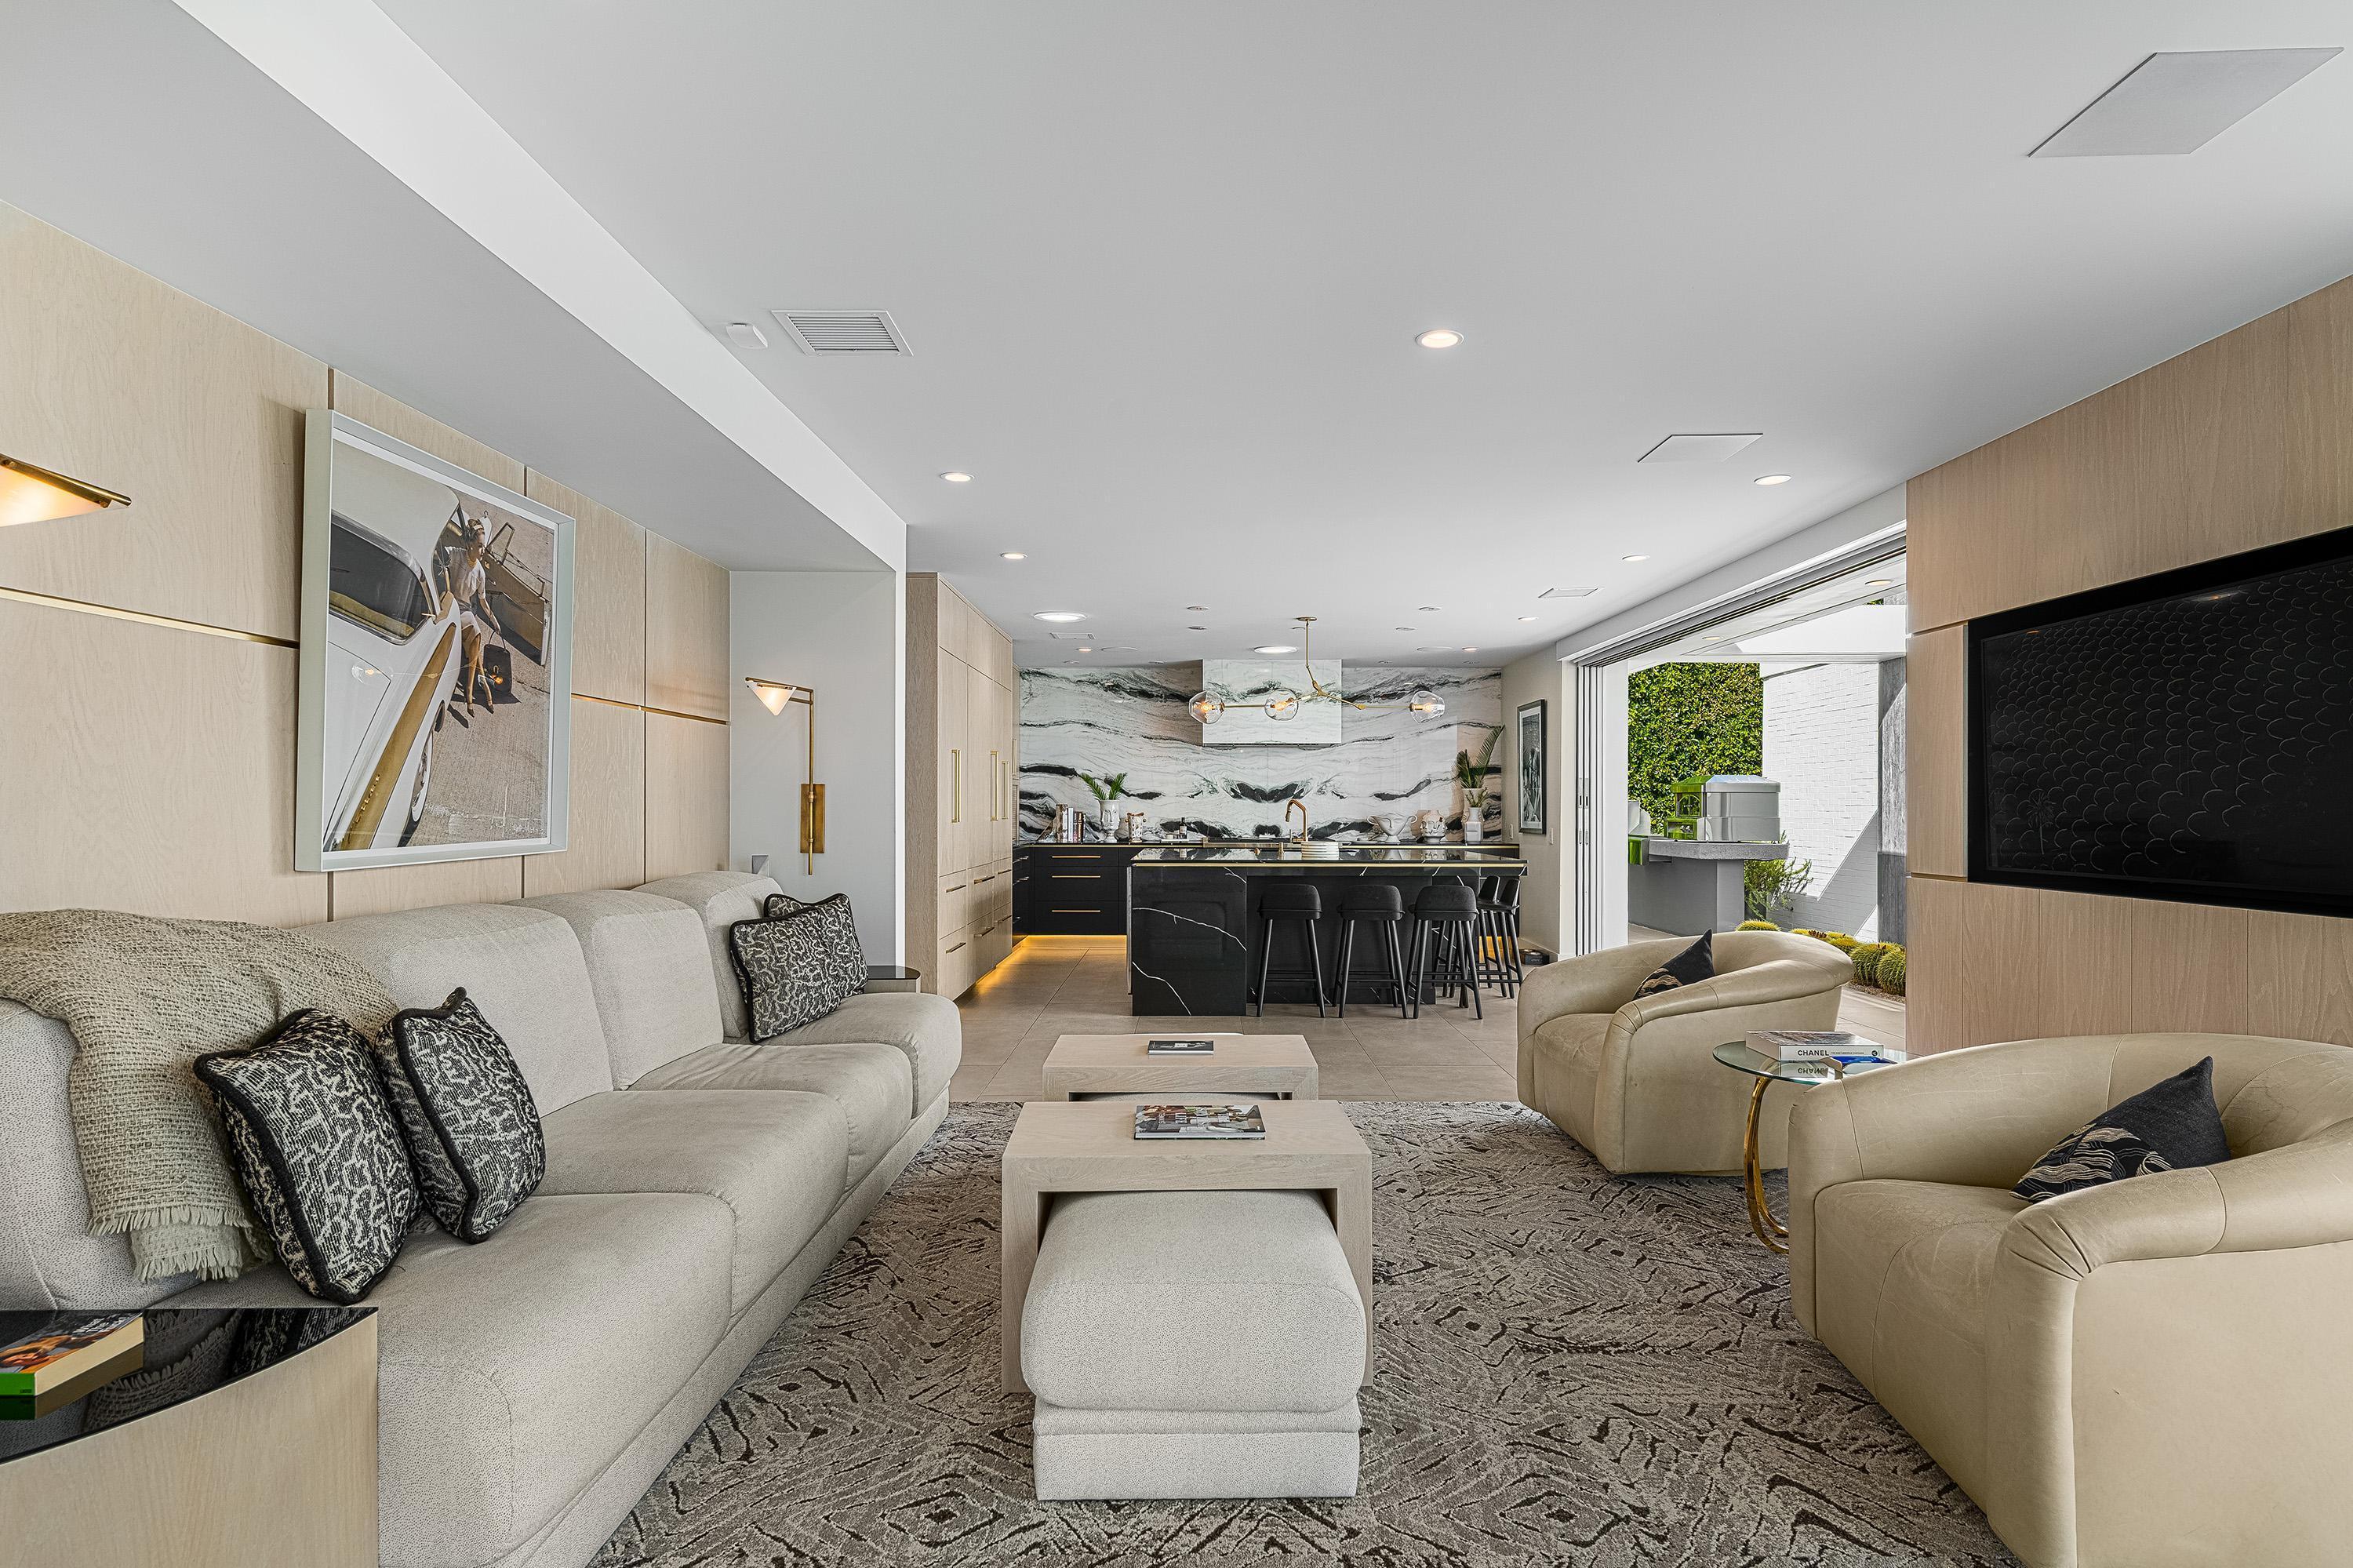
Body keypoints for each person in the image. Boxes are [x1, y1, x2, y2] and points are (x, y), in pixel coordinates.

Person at [452, 516, 504, 717]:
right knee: (474, 647)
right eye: (480, 546)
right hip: (449, 603)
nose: (483, 551)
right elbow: (440, 556)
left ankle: (470, 696)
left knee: (476, 632)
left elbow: (482, 602)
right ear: (471, 544)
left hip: (464, 610)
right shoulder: (455, 555)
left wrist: (495, 622)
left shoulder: (480, 573)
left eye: (484, 547)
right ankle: (473, 696)